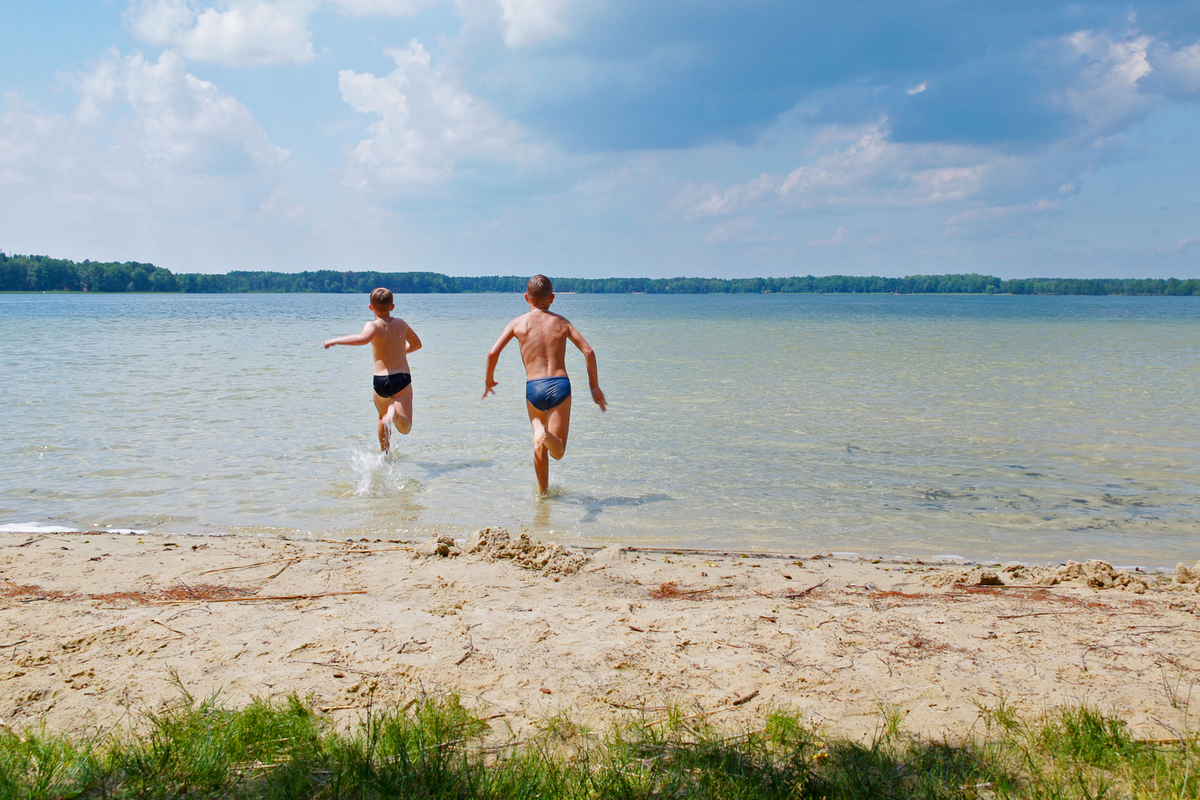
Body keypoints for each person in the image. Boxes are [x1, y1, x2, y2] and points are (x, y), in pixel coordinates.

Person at [483, 275, 606, 494]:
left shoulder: (517, 323)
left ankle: (543, 495)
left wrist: (489, 380)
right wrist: (594, 387)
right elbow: (589, 352)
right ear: (552, 298)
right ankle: (543, 432)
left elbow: (493, 353)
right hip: (560, 385)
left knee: (539, 443)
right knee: (557, 450)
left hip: (534, 387)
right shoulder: (562, 322)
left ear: (526, 297)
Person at [324, 287, 422, 452]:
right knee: (406, 428)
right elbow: (417, 345)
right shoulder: (401, 324)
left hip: (380, 381)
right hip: (401, 378)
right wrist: (399, 350)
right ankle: (395, 412)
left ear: (371, 307)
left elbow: (362, 339)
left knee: (381, 418)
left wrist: (336, 340)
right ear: (392, 306)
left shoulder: (373, 325)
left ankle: (385, 455)